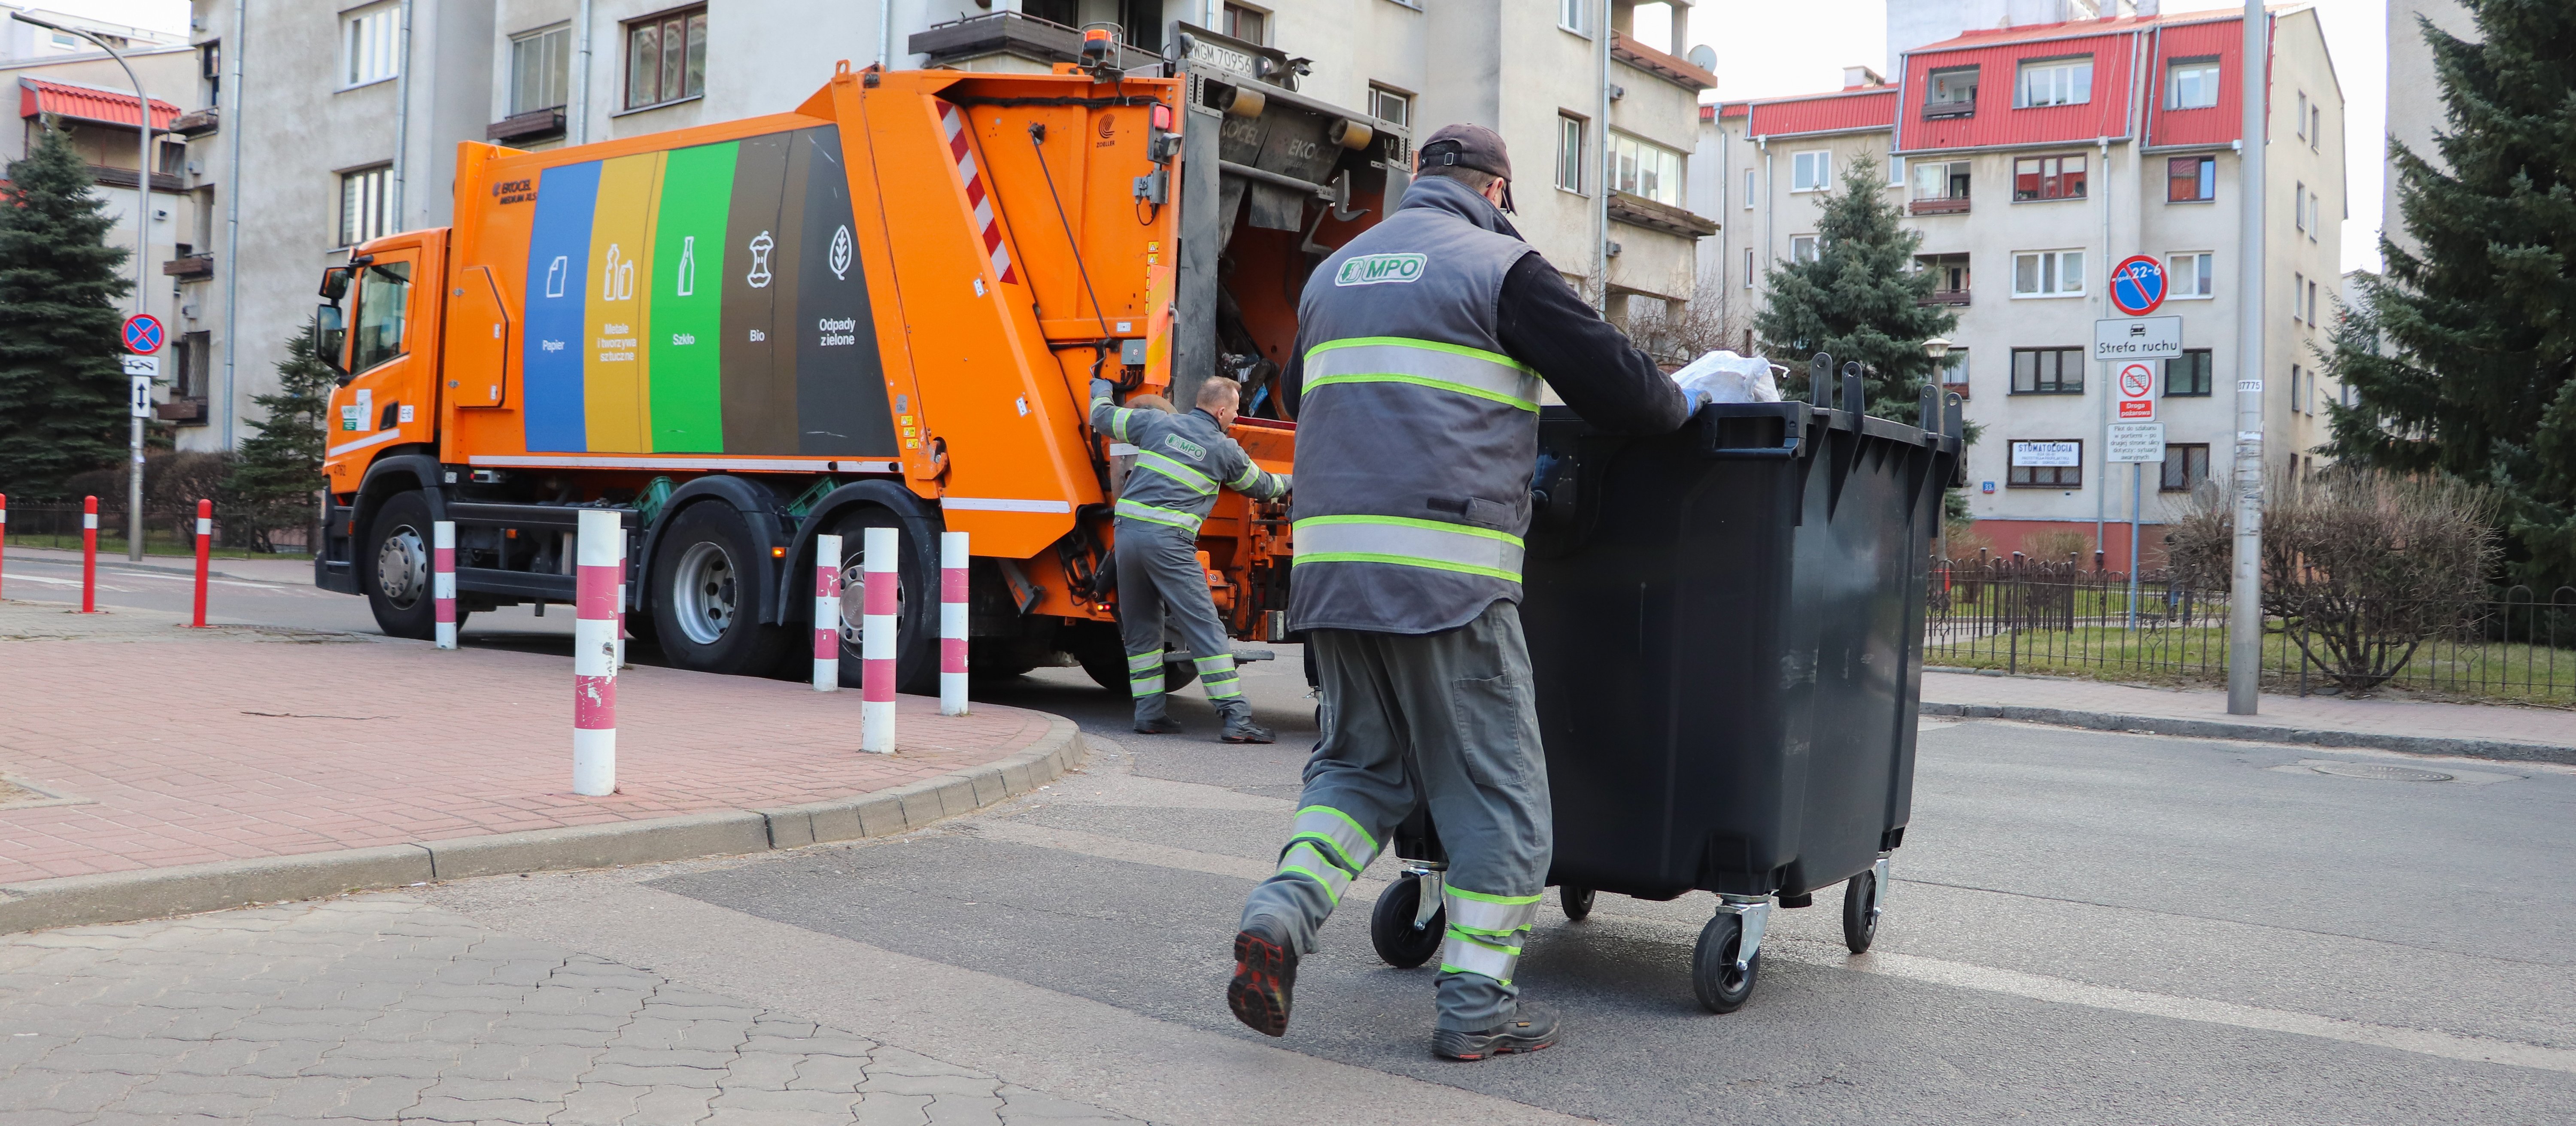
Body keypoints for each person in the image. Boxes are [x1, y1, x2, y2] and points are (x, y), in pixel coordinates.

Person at [1227, 124, 1690, 1060]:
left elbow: (1295, 397)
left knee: (1360, 771)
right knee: (1501, 796)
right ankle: (1478, 1006)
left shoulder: (1332, 276)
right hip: (1447, 576)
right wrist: (1688, 406)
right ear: (1496, 190)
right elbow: (1630, 395)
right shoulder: (1499, 265)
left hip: (1332, 571)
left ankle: (1281, 912)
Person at [1088, 375, 1291, 743]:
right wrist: (1295, 480)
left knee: (1142, 629)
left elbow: (1102, 417)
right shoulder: (1224, 448)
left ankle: (1149, 714)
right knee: (1205, 627)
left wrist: (1101, 386)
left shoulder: (1156, 423)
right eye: (1235, 411)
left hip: (1128, 537)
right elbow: (1263, 487)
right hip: (1169, 543)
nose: (1235, 416)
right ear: (1220, 410)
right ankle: (1236, 718)